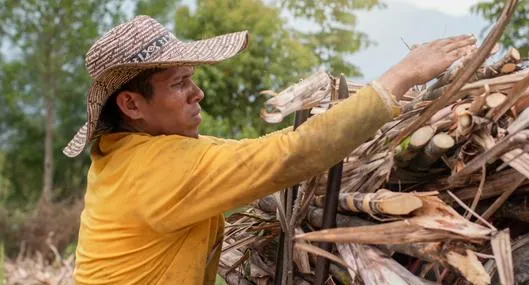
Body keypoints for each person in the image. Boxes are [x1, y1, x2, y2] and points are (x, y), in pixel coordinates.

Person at [64, 15, 476, 284]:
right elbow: (288, 155)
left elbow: (257, 154)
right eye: (178, 83)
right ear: (131, 104)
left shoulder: (134, 155)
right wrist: (402, 76)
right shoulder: (156, 168)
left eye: (192, 78)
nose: (198, 92)